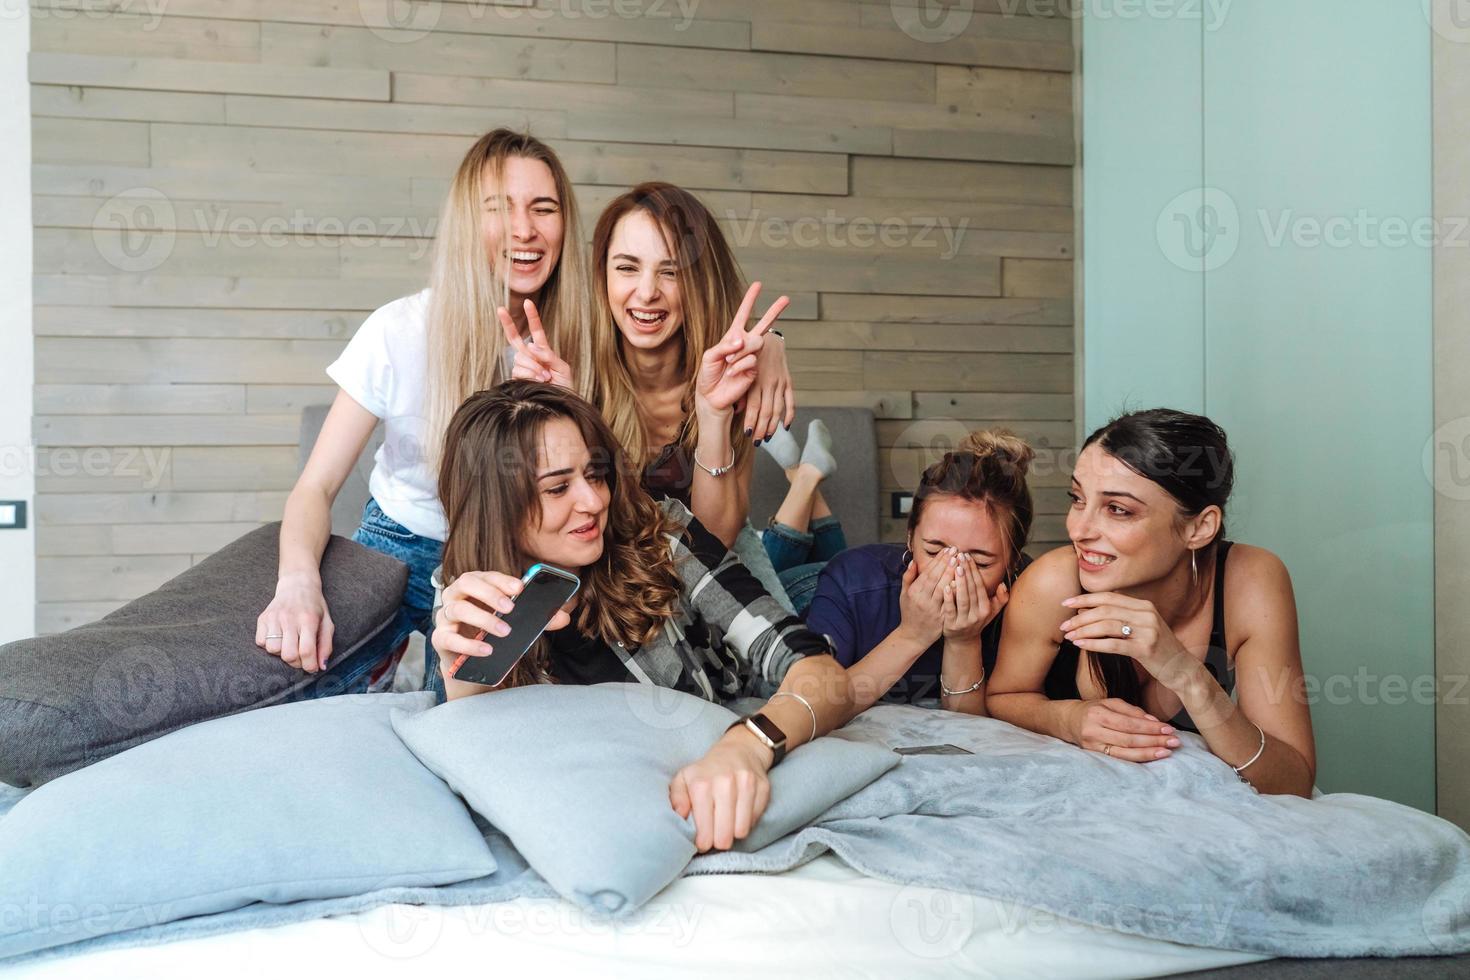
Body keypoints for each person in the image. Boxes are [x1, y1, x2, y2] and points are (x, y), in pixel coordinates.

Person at [428, 381, 856, 852]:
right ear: (495, 507)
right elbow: (479, 775)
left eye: (595, 475)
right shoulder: (464, 602)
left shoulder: (663, 538)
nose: (593, 501)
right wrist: (464, 684)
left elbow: (821, 676)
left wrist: (747, 747)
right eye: (557, 487)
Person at [255, 128, 594, 699]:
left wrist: (563, 405)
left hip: (501, 552)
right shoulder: (399, 329)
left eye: (544, 208)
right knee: (311, 694)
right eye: (499, 208)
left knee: (462, 725)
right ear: (467, 219)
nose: (525, 229)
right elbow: (314, 487)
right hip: (396, 537)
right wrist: (297, 582)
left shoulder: (582, 340)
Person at [986, 409, 1317, 797]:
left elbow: (1293, 781)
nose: (1078, 530)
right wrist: (1068, 717)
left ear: (1199, 527)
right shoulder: (1054, 582)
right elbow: (1003, 698)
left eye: (1118, 510)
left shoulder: (1250, 581)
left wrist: (1184, 672)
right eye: (1077, 498)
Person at [504, 181, 796, 549]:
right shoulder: (568, 363)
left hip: (707, 571)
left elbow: (717, 541)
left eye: (670, 272)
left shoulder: (729, 373)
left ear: (699, 283)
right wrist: (567, 412)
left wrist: (714, 414)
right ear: (603, 274)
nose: (646, 292)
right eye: (627, 267)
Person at [803, 430, 1036, 717]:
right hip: (802, 585)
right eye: (936, 552)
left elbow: (972, 729)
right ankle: (804, 482)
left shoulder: (1032, 598)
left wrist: (963, 641)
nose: (954, 576)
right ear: (911, 537)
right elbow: (809, 704)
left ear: (1013, 562)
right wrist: (913, 634)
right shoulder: (854, 581)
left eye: (980, 562)